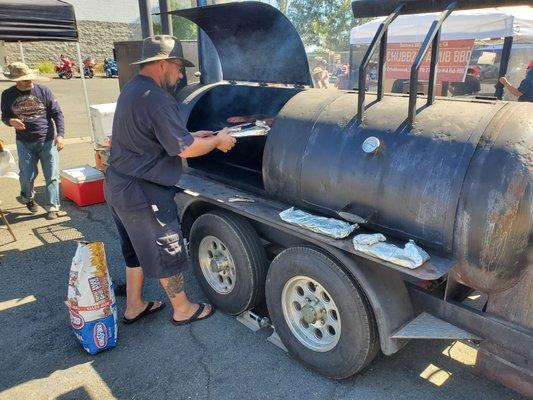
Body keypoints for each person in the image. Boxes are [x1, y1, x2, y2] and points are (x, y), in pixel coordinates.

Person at [105, 35, 237, 326]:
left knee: (134, 248)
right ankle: (182, 309)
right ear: (163, 64)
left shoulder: (132, 89)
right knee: (166, 247)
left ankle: (135, 305)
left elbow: (162, 136)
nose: (180, 76)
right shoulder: (156, 98)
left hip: (118, 184)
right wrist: (217, 141)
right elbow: (185, 149)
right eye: (178, 68)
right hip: (143, 190)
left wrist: (197, 135)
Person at [1, 62, 64, 220]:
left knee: (52, 175)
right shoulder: (7, 94)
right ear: (16, 81)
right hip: (24, 142)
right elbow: (4, 116)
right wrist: (11, 121)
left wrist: (61, 135)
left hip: (47, 139)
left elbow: (57, 113)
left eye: (29, 78)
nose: (29, 81)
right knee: (27, 176)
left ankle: (53, 206)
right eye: (24, 79)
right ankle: (27, 197)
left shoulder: (43, 90)